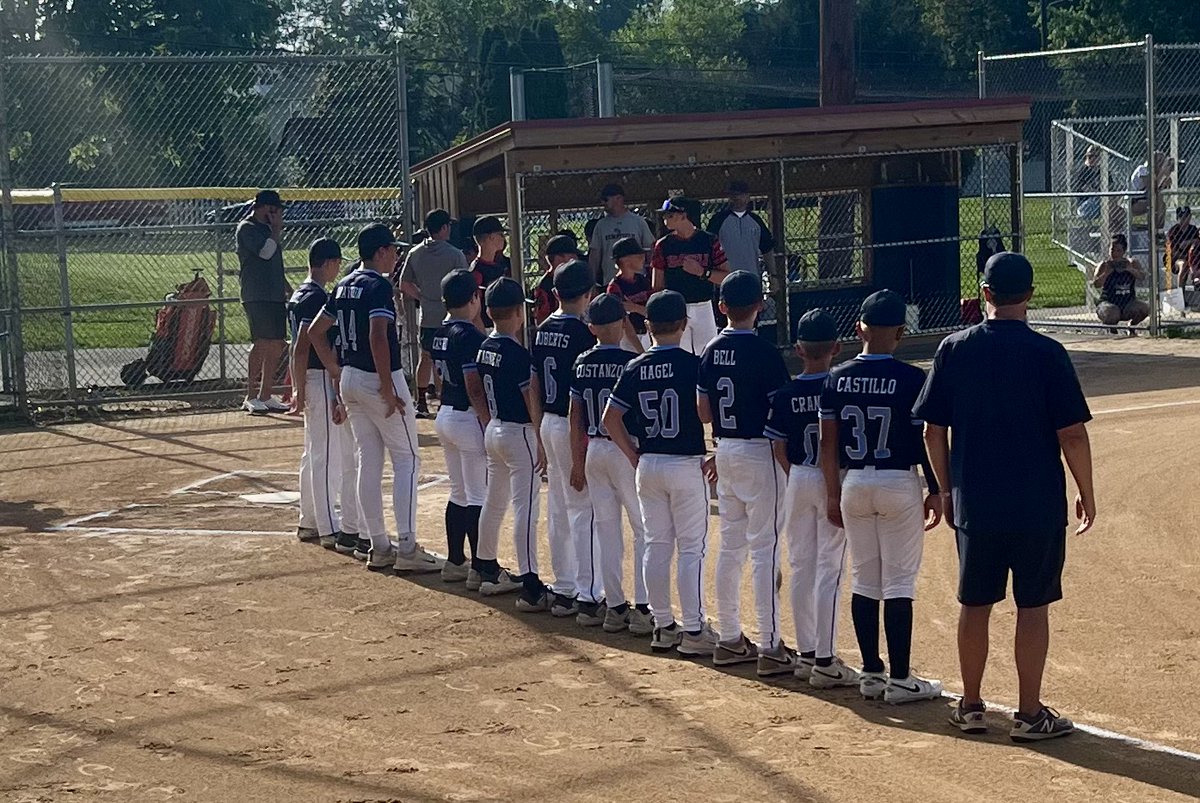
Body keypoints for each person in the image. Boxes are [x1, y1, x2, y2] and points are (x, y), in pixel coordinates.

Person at [916, 251, 1095, 743]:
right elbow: (1072, 434)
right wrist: (1087, 493)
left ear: (985, 296)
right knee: (1032, 606)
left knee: (975, 603)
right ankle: (1030, 713)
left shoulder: (955, 348)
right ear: (1031, 297)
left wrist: (946, 489)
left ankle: (971, 705)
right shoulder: (1048, 353)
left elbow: (933, 430)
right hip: (1037, 502)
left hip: (978, 502)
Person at [819, 289, 942, 705]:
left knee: (864, 579)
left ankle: (872, 672)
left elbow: (828, 444)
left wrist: (833, 494)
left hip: (854, 482)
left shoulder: (837, 376)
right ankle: (901, 677)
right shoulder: (913, 377)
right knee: (899, 582)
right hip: (898, 482)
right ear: (900, 333)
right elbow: (925, 437)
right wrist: (937, 489)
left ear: (860, 330)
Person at [307, 223, 444, 575]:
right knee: (407, 460)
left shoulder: (344, 284)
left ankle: (379, 545)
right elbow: (378, 336)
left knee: (369, 459)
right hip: (376, 377)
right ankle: (408, 547)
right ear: (380, 251)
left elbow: (315, 332)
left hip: (352, 377)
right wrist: (387, 386)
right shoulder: (377, 285)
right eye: (393, 250)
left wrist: (337, 371)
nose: (397, 256)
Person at [603, 290, 717, 657]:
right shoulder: (693, 363)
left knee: (656, 545)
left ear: (647, 326)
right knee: (691, 549)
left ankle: (664, 625)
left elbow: (609, 419)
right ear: (684, 325)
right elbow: (705, 414)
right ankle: (695, 629)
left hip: (649, 464)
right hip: (684, 464)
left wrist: (633, 455)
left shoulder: (634, 366)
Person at [698, 271, 795, 676]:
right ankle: (770, 645)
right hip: (760, 452)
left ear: (722, 307)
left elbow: (703, 411)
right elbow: (783, 414)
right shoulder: (766, 352)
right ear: (760, 306)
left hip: (726, 449)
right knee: (765, 548)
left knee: (732, 547)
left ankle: (729, 638)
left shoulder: (710, 349)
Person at [765, 309, 858, 689]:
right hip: (831, 477)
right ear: (836, 347)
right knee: (829, 569)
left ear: (799, 350)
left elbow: (777, 446)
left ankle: (806, 654)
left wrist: (795, 477)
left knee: (801, 565)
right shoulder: (839, 388)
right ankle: (824, 658)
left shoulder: (786, 393)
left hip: (799, 476)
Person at [569, 293, 653, 635]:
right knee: (643, 529)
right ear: (622, 324)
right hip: (624, 449)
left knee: (607, 530)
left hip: (593, 451)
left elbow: (575, 419)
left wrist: (577, 462)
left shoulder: (581, 361)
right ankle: (644, 607)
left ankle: (615, 607)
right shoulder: (630, 363)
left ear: (591, 328)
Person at [470, 277, 548, 605]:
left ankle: (483, 565)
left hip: (494, 428)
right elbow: (530, 395)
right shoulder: (516, 353)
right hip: (519, 433)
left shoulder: (484, 345)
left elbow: (475, 388)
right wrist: (541, 438)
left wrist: (489, 423)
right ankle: (530, 584)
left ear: (488, 311)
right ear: (518, 312)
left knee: (495, 500)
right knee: (525, 507)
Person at [531, 260, 599, 619]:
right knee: (582, 508)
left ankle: (564, 586)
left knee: (559, 506)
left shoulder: (542, 328)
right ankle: (586, 592)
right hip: (575, 427)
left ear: (555, 293)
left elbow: (535, 385)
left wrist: (539, 432)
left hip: (548, 423)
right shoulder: (584, 335)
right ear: (589, 295)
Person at [287, 237, 360, 554]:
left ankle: (311, 519)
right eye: (337, 263)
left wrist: (296, 385)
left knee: (314, 452)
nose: (338, 269)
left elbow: (295, 348)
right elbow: (307, 343)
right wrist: (330, 375)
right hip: (320, 376)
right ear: (328, 263)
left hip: (312, 377)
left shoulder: (299, 293)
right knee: (325, 454)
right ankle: (329, 526)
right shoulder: (315, 296)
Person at [430, 270, 490, 586]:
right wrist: (487, 421)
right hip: (468, 417)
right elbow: (474, 386)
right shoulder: (470, 336)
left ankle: (455, 561)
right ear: (473, 299)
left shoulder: (440, 331)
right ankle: (481, 567)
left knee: (459, 492)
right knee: (478, 494)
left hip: (446, 414)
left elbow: (440, 380)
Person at [398, 209, 469, 418]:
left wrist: (423, 297)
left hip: (427, 315)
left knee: (426, 357)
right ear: (445, 228)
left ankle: (421, 401)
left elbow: (404, 283)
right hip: (451, 315)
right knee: (447, 359)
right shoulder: (455, 254)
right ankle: (444, 400)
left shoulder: (415, 252)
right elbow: (465, 283)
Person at [651, 197, 731, 355]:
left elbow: (726, 277)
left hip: (703, 305)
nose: (665, 218)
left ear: (683, 215)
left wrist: (702, 272)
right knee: (680, 354)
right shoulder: (663, 245)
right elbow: (657, 285)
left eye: (670, 215)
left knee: (707, 353)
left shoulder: (708, 240)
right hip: (677, 308)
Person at [236, 189, 290, 414]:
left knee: (277, 343)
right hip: (257, 294)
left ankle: (266, 395)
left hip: (274, 294)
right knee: (262, 341)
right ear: (263, 208)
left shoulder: (268, 231)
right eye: (274, 209)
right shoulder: (248, 228)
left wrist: (287, 288)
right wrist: (276, 230)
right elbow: (265, 253)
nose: (278, 214)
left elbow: (274, 263)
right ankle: (251, 395)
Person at [588, 184, 655, 285]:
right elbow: (595, 256)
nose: (602, 203)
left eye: (606, 199)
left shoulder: (638, 221)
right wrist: (591, 282)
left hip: (637, 281)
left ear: (618, 198)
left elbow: (650, 250)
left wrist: (652, 276)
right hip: (611, 281)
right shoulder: (601, 225)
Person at [705, 180, 776, 273]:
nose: (736, 197)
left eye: (740, 194)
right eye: (733, 195)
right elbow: (708, 248)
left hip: (751, 276)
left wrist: (773, 274)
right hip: (725, 277)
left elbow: (767, 249)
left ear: (747, 196)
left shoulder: (756, 220)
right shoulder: (718, 219)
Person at [606, 235, 652, 353]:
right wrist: (641, 351)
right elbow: (625, 324)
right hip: (628, 340)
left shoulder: (643, 281)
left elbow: (652, 312)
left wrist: (634, 308)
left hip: (647, 334)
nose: (643, 259)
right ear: (625, 260)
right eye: (639, 256)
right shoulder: (615, 287)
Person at [1093, 234, 1150, 327]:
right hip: (1109, 302)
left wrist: (1130, 270)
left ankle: (1131, 326)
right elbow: (1096, 284)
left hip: (1128, 302)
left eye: (1118, 251)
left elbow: (1142, 277)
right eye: (1112, 250)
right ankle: (1111, 328)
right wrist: (1106, 273)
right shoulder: (1104, 265)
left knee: (1145, 308)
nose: (1115, 254)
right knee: (1112, 312)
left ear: (1124, 251)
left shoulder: (1132, 263)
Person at [532, 234, 583, 326]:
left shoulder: (574, 279)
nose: (575, 258)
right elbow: (540, 319)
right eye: (571, 255)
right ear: (558, 258)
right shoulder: (546, 284)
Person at [471, 216, 511, 329]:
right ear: (491, 237)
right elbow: (475, 313)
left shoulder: (499, 265)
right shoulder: (477, 271)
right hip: (488, 328)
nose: (503, 239)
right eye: (501, 235)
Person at [1166, 206, 1200, 288]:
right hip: (1175, 259)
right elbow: (1173, 252)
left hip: (1192, 258)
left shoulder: (1193, 229)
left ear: (1190, 217)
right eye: (1181, 217)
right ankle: (1180, 293)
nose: (1184, 219)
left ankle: (1197, 284)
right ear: (1178, 218)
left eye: (1186, 216)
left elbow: (1197, 243)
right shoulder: (1173, 231)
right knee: (1184, 264)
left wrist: (1189, 242)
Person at [1073, 145, 1102, 221]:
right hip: (1085, 204)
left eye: (1094, 156)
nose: (1091, 159)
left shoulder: (1103, 171)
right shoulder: (1083, 171)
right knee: (1098, 200)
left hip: (1101, 202)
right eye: (1088, 156)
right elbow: (1086, 188)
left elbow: (1111, 187)